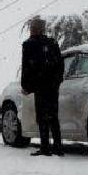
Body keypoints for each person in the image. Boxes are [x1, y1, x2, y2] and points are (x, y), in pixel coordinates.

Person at [21, 17, 65, 156]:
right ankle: (58, 147)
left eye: (32, 27)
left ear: (35, 29)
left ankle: (45, 147)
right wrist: (57, 81)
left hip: (40, 86)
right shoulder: (52, 43)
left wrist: (27, 86)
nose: (31, 30)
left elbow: (26, 67)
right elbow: (60, 64)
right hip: (52, 86)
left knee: (42, 117)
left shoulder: (29, 45)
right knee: (53, 116)